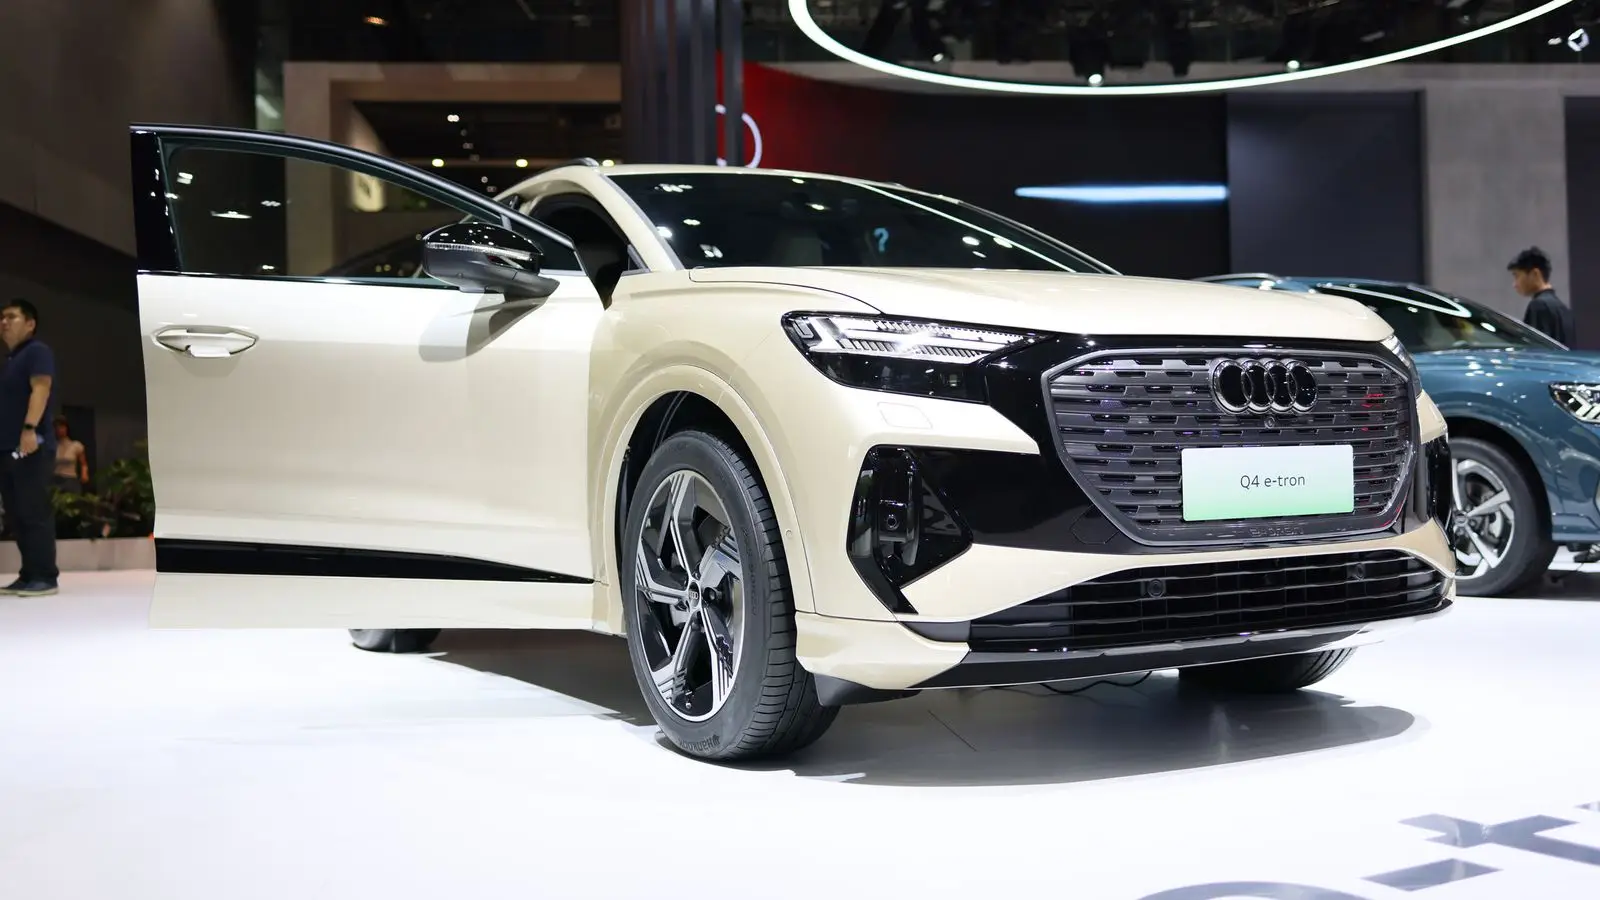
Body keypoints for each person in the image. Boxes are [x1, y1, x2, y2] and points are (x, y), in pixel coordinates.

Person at [0, 299, 59, 596]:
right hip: (7, 448)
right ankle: (29, 574)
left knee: (33, 511)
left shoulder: (37, 352)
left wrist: (29, 429)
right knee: (16, 513)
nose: (4, 322)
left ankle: (45, 576)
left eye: (12, 317)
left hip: (30, 445)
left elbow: (41, 388)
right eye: (2, 318)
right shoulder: (11, 360)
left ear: (30, 324)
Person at [1508, 246, 1574, 346]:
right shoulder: (1563, 308)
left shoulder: (1539, 305)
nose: (1515, 284)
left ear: (1535, 274)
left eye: (1517, 276)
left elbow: (1536, 349)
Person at [52, 416, 88, 493]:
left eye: (62, 427)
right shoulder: (53, 446)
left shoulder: (76, 445)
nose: (60, 429)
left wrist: (84, 473)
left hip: (70, 479)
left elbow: (83, 464)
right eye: (57, 427)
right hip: (56, 479)